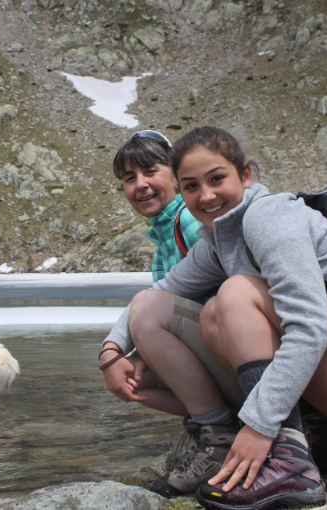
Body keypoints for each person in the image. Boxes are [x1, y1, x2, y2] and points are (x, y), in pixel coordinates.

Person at [110, 126, 327, 510]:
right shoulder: (219, 238)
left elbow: (311, 324)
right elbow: (159, 295)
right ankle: (325, 439)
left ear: (246, 175)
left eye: (217, 179)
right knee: (167, 310)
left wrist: (260, 426)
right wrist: (112, 349)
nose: (207, 195)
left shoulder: (268, 216)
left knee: (234, 297)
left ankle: (286, 461)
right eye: (192, 186)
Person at [100, 130, 246, 498]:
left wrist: (134, 353)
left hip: (239, 349)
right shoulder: (165, 237)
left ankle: (220, 435)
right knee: (130, 380)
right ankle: (217, 425)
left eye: (150, 171)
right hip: (223, 350)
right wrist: (119, 353)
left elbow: (165, 308)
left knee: (139, 350)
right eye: (129, 178)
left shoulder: (191, 224)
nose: (141, 185)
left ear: (176, 174)